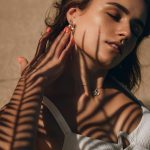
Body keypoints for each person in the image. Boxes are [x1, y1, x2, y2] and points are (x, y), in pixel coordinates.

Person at [0, 0, 150, 149]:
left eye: (136, 29)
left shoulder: (121, 90)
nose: (127, 32)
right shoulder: (33, 110)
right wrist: (30, 84)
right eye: (114, 15)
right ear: (73, 14)